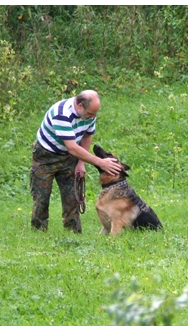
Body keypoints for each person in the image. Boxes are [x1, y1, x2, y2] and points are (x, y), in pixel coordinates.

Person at [30, 90, 122, 233]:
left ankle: (73, 234)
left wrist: (81, 163)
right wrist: (100, 162)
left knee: (72, 197)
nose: (93, 117)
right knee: (41, 198)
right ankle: (38, 233)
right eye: (91, 114)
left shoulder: (89, 113)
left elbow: (87, 136)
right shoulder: (62, 114)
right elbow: (72, 147)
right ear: (80, 105)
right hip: (46, 157)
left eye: (94, 114)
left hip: (69, 157)